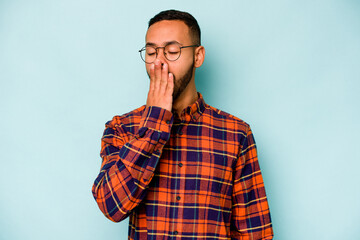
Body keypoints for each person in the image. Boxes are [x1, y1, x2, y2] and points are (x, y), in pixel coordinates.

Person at [92, 9, 273, 240]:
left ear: (198, 56)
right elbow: (111, 206)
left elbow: (255, 233)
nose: (159, 63)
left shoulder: (236, 134)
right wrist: (154, 122)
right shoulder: (122, 128)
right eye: (150, 52)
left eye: (172, 51)